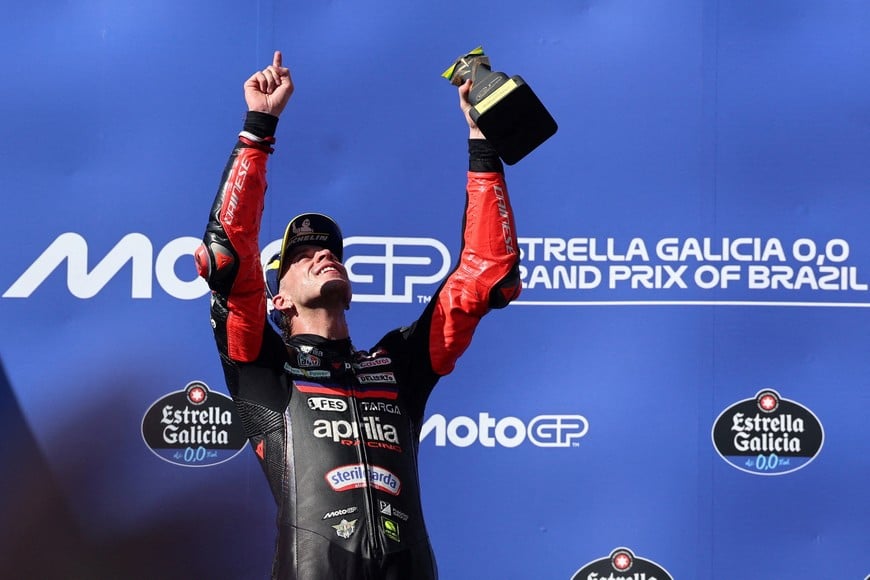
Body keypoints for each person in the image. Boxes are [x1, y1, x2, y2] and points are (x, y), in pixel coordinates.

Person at [195, 50, 522, 580]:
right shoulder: (261, 371)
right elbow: (226, 257)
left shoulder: (399, 364)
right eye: (301, 258)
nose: (323, 255)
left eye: (329, 252)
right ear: (279, 299)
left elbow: (486, 274)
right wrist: (259, 127)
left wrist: (483, 142)